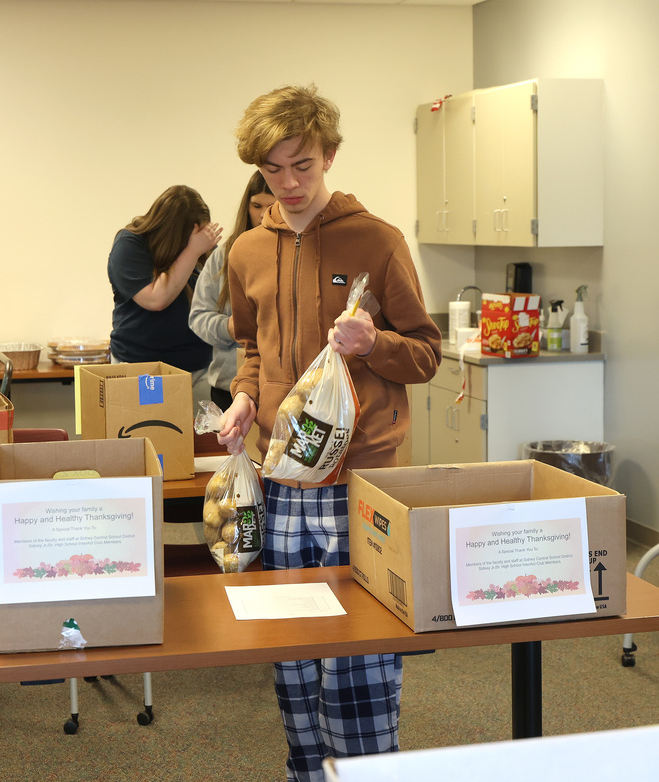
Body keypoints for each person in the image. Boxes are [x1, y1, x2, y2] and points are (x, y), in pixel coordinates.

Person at [218, 85, 442, 780]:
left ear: (330, 156)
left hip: (361, 484)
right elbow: (252, 349)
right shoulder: (247, 251)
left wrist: (373, 341)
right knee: (291, 654)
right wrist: (245, 400)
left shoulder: (377, 241)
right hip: (283, 483)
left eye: (302, 166)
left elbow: (427, 353)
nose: (286, 184)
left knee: (361, 659)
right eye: (271, 170)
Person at [107, 185, 222, 406]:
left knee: (199, 438)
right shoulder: (130, 243)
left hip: (198, 366)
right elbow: (155, 299)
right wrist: (193, 250)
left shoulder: (200, 249)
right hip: (145, 369)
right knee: (154, 432)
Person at [189, 171, 275, 410]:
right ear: (246, 206)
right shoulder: (225, 255)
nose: (263, 214)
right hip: (229, 387)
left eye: (273, 206)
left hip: (283, 388)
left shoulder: (300, 253)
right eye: (256, 205)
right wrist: (232, 327)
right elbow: (198, 317)